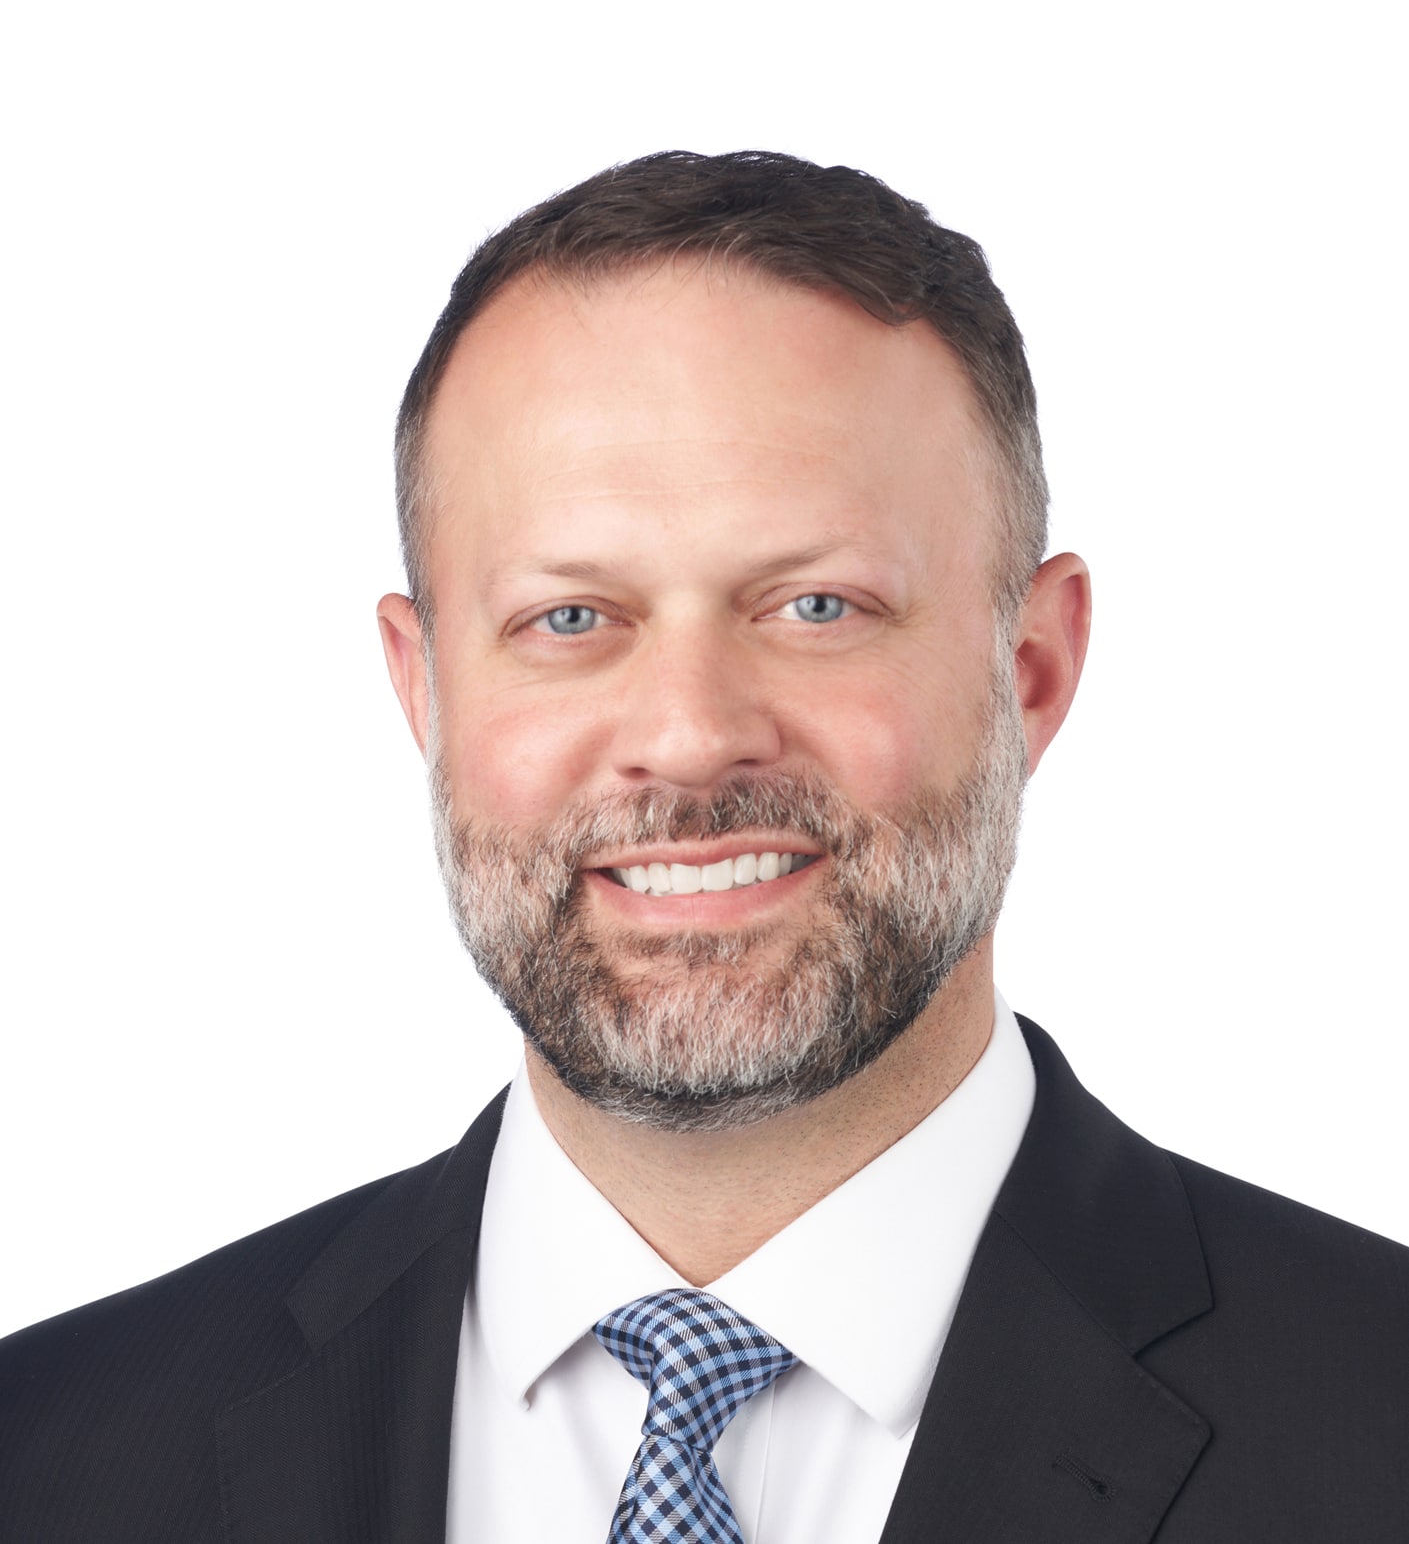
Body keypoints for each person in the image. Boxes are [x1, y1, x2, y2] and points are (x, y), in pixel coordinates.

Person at [1, 149, 1405, 1544]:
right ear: (422, 688)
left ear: (1029, 670)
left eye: (814, 608)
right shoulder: (52, 1457)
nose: (685, 734)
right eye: (569, 618)